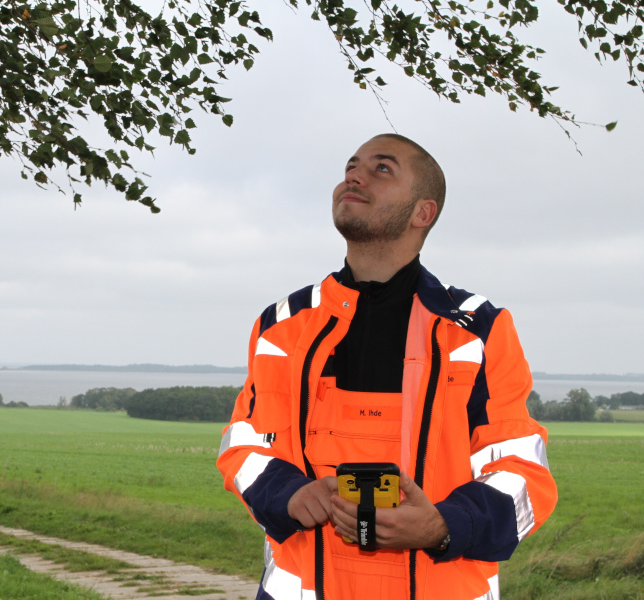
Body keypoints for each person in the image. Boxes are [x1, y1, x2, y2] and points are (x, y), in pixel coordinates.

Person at [216, 134, 557, 600]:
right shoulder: (282, 326)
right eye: (350, 167)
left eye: (382, 168)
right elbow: (244, 442)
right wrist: (288, 495)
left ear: (423, 212)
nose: (352, 176)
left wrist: (442, 525)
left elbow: (521, 470)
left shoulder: (478, 331)